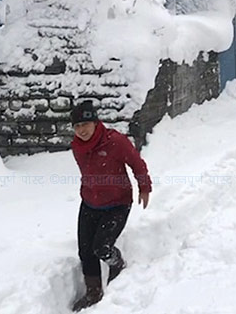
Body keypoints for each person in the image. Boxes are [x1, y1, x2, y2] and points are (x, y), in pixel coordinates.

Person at [69, 100, 152, 312]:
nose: (81, 130)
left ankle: (117, 264)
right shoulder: (77, 146)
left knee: (101, 248)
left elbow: (137, 163)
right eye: (77, 126)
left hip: (118, 204)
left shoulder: (115, 141)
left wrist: (144, 187)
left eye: (85, 124)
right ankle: (93, 292)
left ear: (96, 122)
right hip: (89, 202)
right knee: (85, 251)